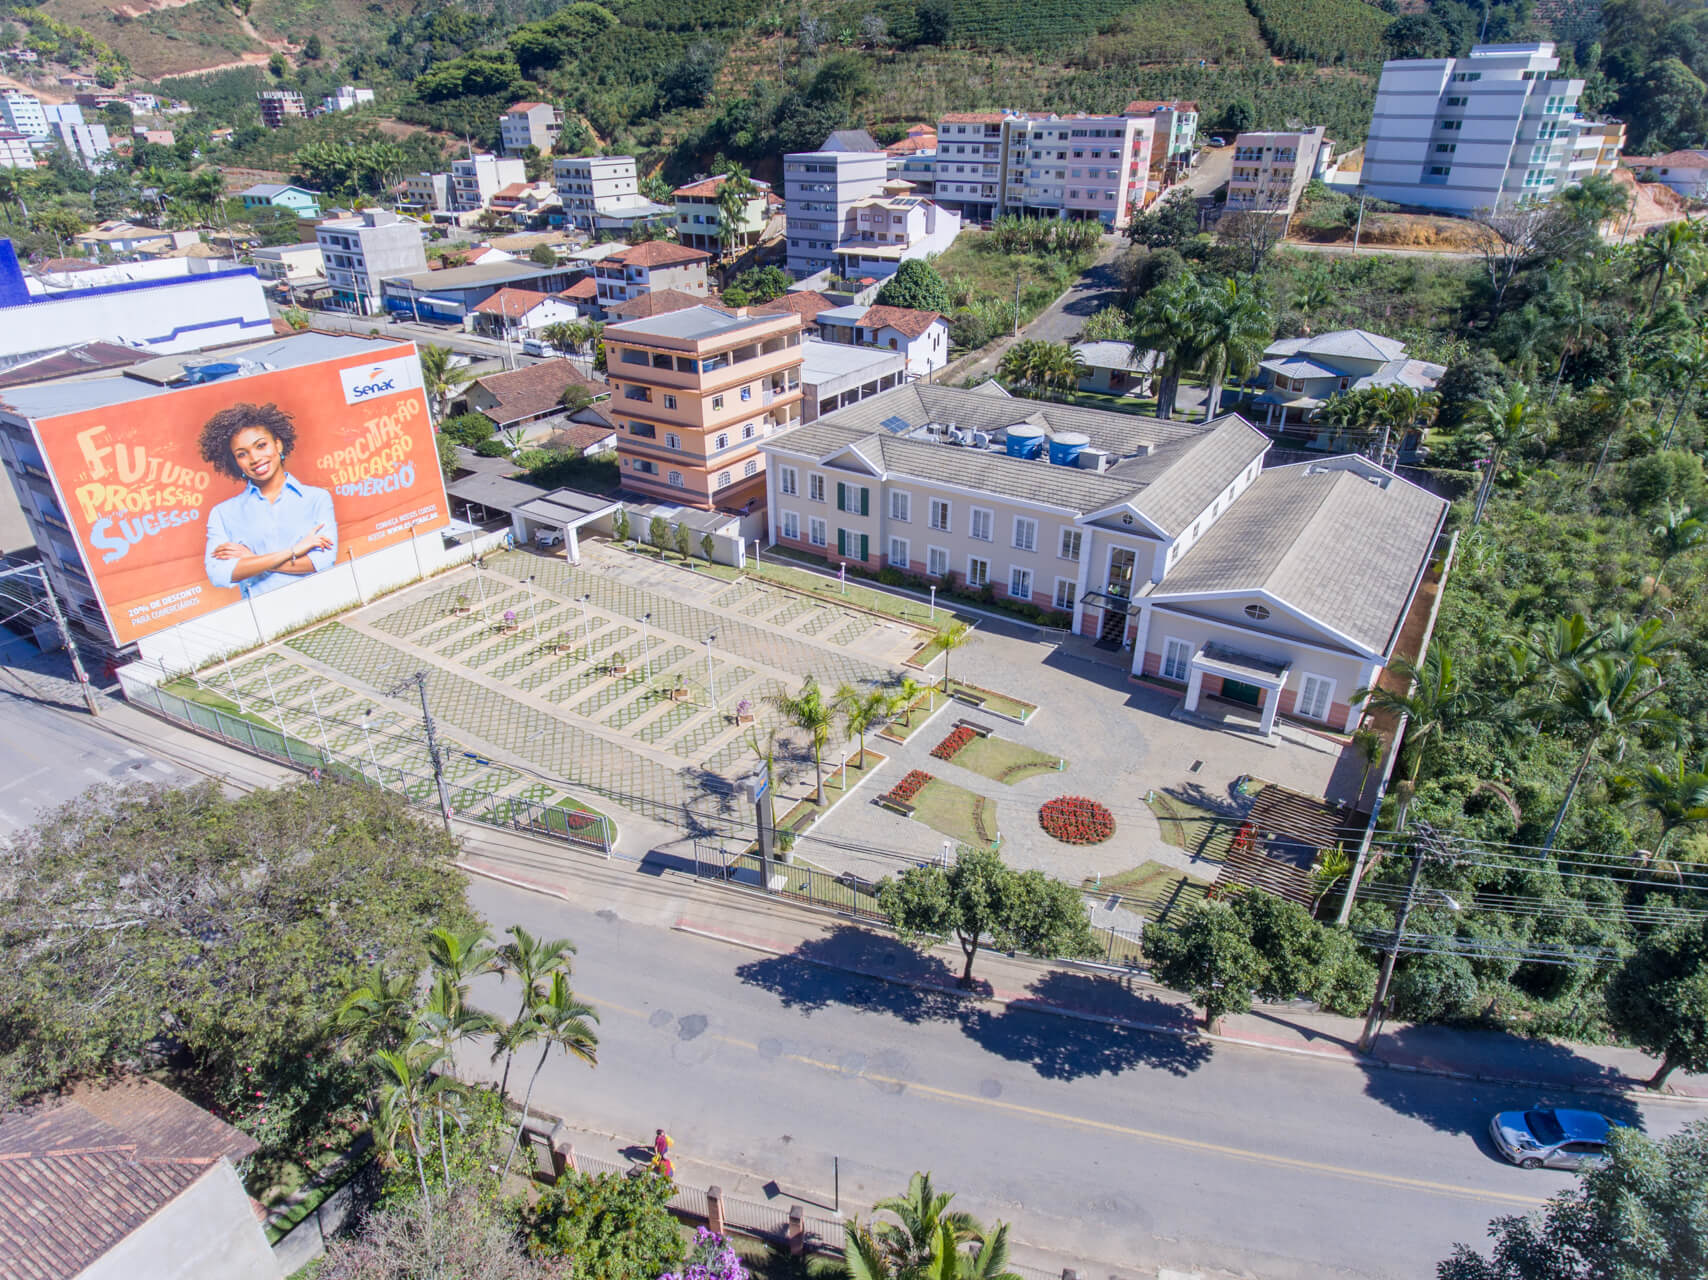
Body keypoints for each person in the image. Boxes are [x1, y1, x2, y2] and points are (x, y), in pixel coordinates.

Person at [200, 402, 337, 598]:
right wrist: (294, 551)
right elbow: (219, 574)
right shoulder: (222, 514)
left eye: (261, 445)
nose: (255, 458)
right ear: (235, 462)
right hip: (262, 619)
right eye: (242, 454)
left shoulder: (317, 499)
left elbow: (322, 562)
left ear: (278, 444)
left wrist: (252, 560)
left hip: (321, 607)